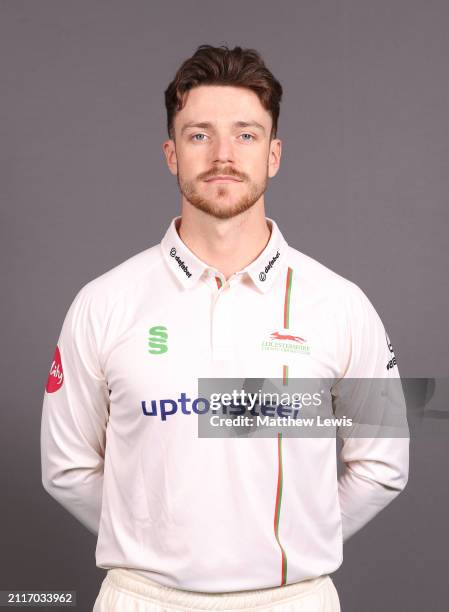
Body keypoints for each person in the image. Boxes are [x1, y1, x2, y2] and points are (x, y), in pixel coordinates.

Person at [40, 44, 409, 612]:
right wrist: (155, 543)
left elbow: (382, 462)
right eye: (198, 135)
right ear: (170, 153)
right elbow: (66, 468)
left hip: (293, 601)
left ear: (274, 153)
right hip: (142, 599)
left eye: (245, 134)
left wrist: (292, 545)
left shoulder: (340, 304)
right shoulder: (104, 302)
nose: (222, 155)